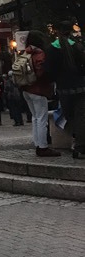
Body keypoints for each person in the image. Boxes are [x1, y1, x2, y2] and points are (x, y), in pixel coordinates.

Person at [45, 21, 85, 158]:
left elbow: (49, 72)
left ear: (57, 31)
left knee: (70, 116)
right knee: (81, 116)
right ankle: (80, 145)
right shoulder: (77, 47)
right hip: (80, 87)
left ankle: (76, 140)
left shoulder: (51, 49)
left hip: (63, 89)